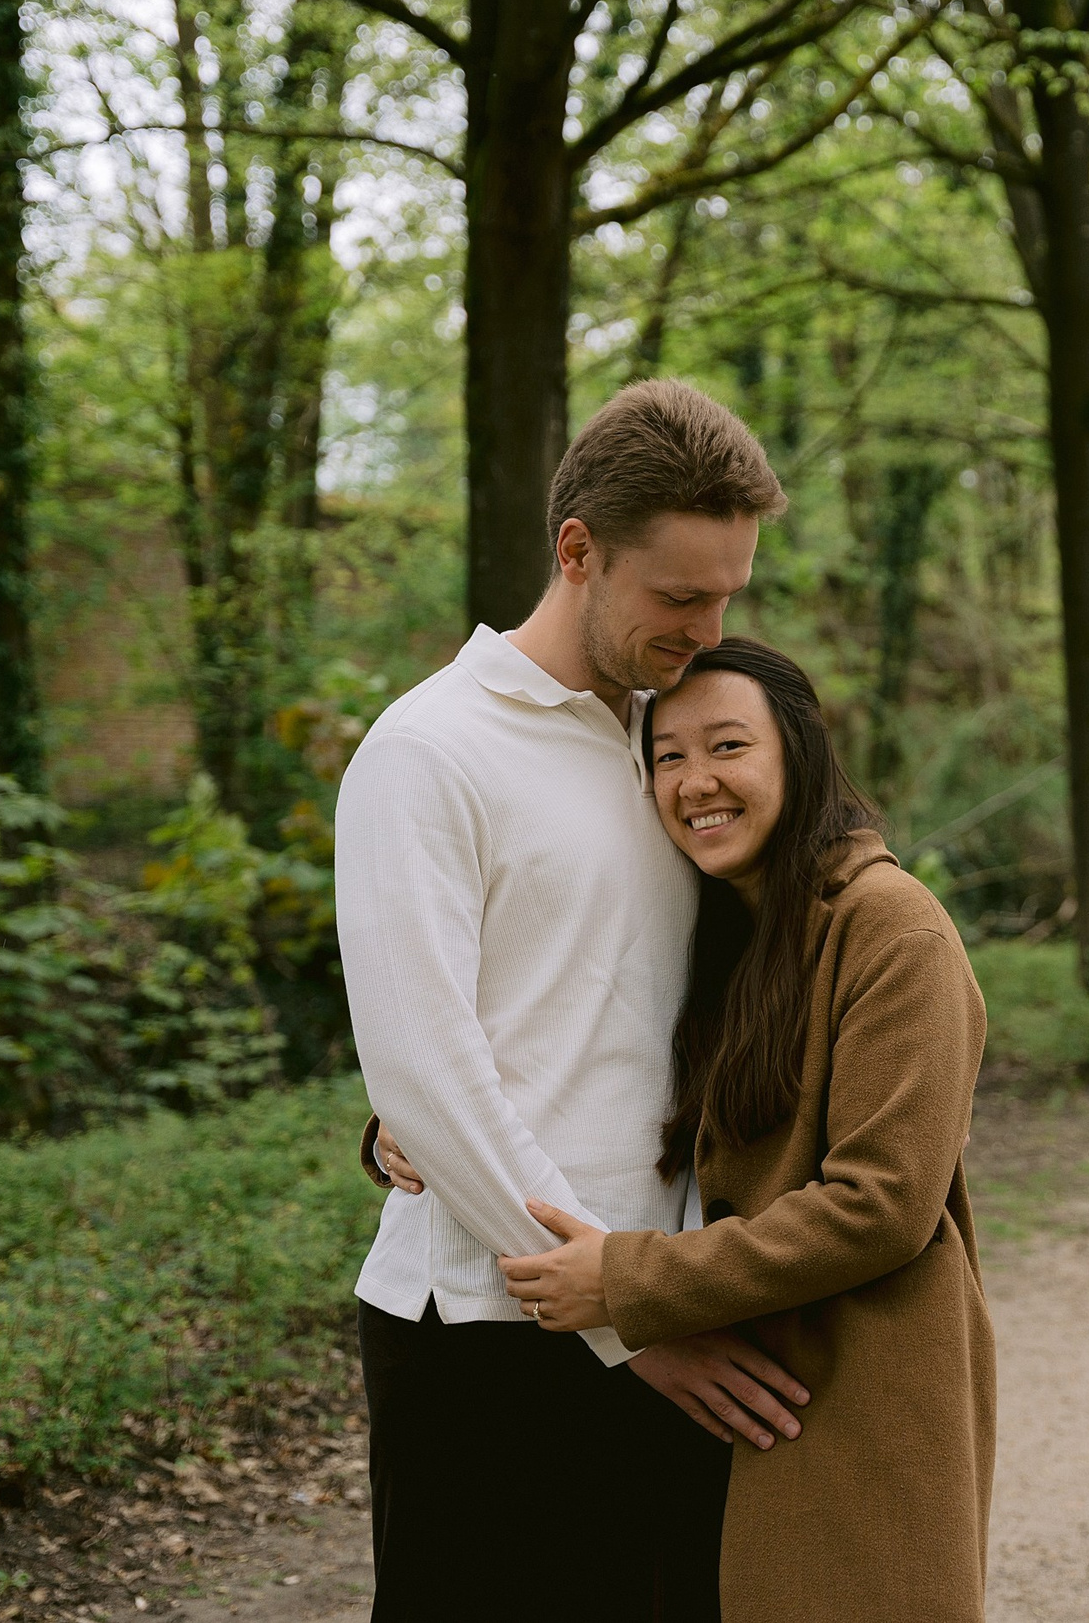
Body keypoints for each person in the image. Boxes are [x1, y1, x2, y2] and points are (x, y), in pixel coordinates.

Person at [381, 638, 995, 1622]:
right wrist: (416, 1123)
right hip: (718, 1379)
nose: (695, 781)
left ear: (799, 751)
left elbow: (885, 1203)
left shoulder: (892, 927)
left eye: (728, 746)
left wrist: (625, 1282)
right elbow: (583, 1053)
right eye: (667, 756)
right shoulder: (715, 919)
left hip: (845, 1380)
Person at [336, 381, 812, 1623]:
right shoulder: (426, 751)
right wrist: (627, 1328)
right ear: (578, 551)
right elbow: (425, 1066)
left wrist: (669, 1299)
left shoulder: (679, 741)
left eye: (728, 596)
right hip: (490, 1331)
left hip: (679, 1291)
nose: (708, 629)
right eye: (679, 596)